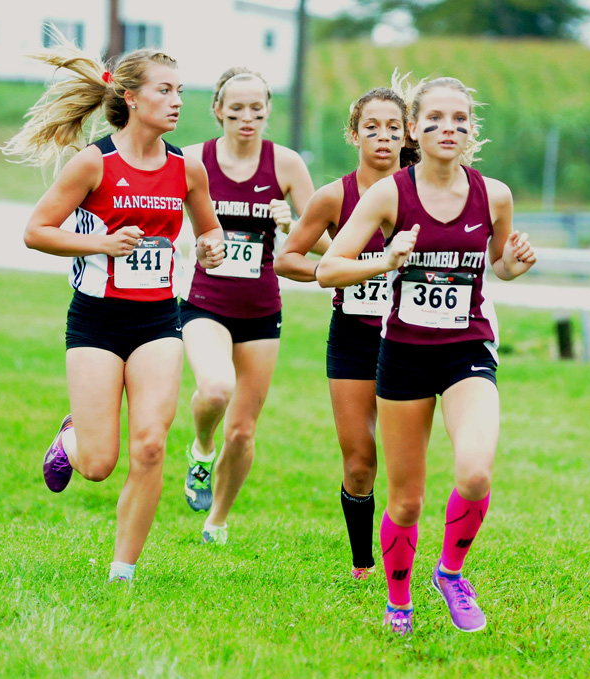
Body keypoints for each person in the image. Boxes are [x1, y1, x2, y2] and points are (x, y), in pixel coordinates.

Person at [0, 33, 225, 584]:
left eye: (181, 90)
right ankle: (71, 437)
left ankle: (122, 573)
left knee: (150, 445)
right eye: (165, 90)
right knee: (99, 465)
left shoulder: (186, 167)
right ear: (129, 97)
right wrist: (100, 244)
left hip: (158, 321)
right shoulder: (91, 165)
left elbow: (209, 229)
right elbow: (36, 232)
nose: (177, 101)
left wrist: (213, 247)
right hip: (97, 322)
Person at [316, 77, 537, 635]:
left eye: (460, 119)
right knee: (407, 502)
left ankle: (450, 572)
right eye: (435, 118)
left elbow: (497, 266)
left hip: (467, 350)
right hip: (405, 356)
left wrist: (514, 263)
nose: (449, 128)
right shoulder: (391, 193)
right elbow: (327, 270)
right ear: (415, 129)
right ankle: (398, 601)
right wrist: (386, 261)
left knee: (475, 471)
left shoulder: (496, 195)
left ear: (471, 130)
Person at [277, 83, 416, 579]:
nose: (383, 138)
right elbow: (287, 258)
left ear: (408, 136)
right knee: (359, 462)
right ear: (353, 134)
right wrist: (336, 273)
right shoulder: (334, 195)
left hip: (412, 337)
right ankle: (363, 564)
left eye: (393, 129)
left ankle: (404, 554)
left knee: (404, 466)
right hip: (354, 337)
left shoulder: (429, 190)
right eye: (372, 128)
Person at [178, 67, 316, 546]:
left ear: (268, 111)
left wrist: (293, 225)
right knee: (215, 390)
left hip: (261, 310)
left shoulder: (286, 165)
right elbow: (170, 229)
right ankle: (199, 448)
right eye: (236, 109)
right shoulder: (194, 160)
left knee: (242, 433)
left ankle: (216, 520)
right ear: (217, 110)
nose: (247, 119)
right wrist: (196, 248)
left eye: (257, 110)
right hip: (204, 302)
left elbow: (330, 243)